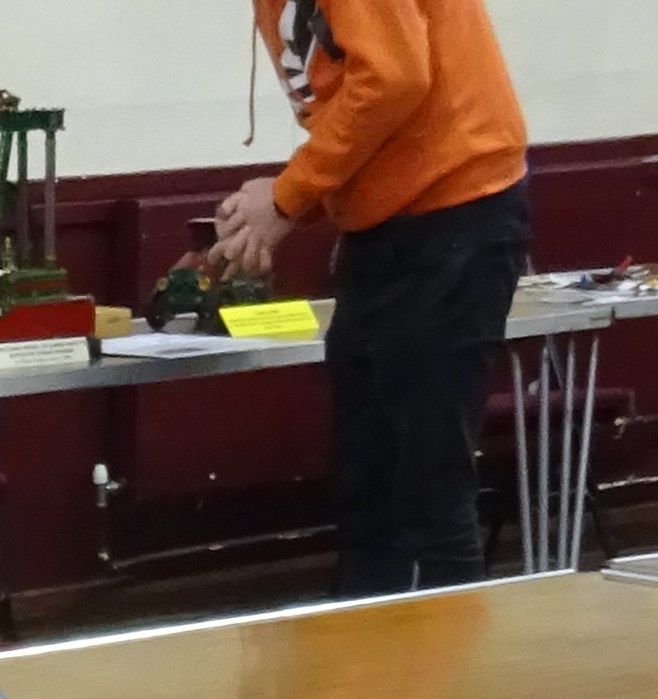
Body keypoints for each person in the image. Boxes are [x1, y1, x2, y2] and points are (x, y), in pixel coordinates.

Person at [210, 0, 533, 596]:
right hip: (383, 232)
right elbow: (351, 109)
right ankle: (368, 651)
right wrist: (282, 204)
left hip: (453, 214)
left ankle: (450, 656)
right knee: (368, 492)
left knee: (429, 489)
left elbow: (394, 79)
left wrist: (285, 198)